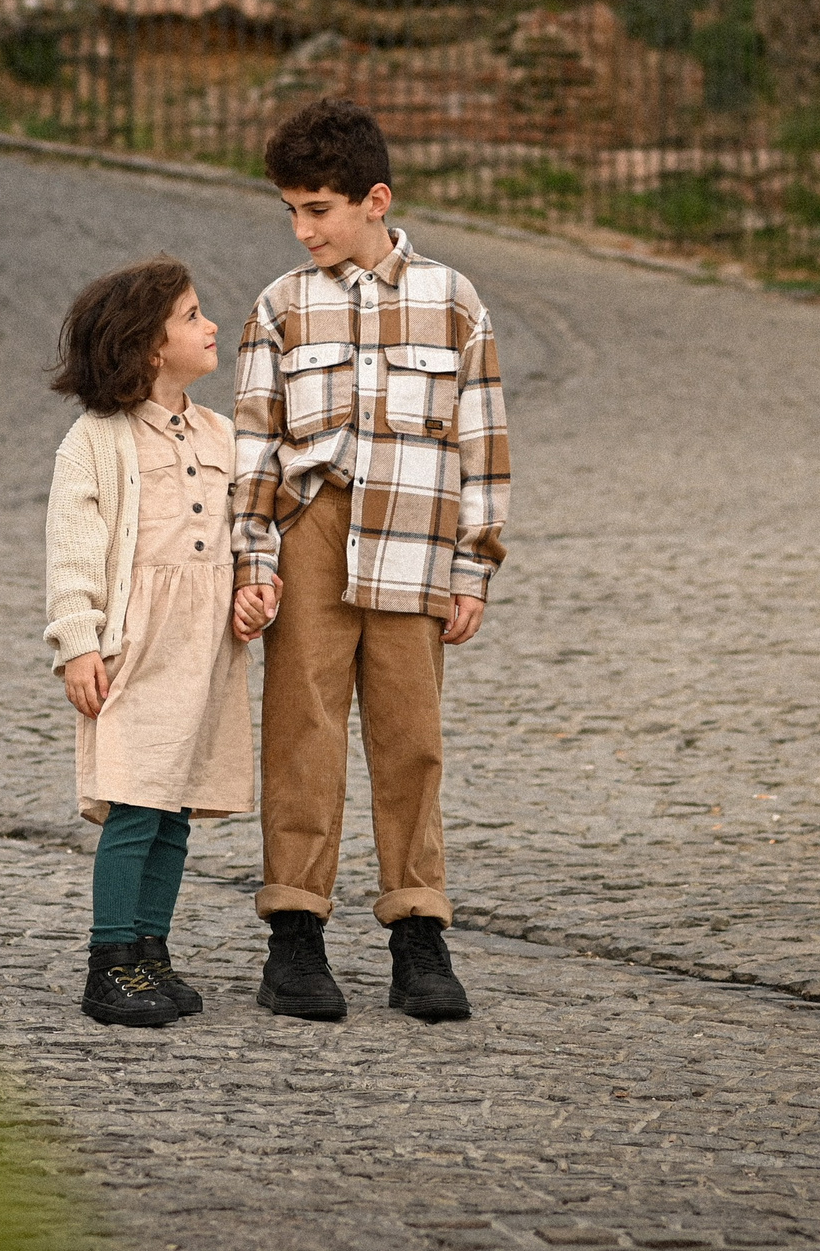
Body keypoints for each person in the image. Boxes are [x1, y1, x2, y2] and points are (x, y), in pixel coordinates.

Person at [228, 97, 510, 1023]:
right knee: (302, 730)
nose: (302, 229)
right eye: (292, 212)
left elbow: (484, 442)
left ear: (374, 200)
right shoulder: (279, 306)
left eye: (318, 209)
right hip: (312, 531)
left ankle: (418, 934)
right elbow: (254, 447)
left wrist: (474, 567)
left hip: (416, 538)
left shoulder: (454, 301)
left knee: (410, 738)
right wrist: (252, 557)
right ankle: (295, 935)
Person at [43, 255, 263, 1026]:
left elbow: (246, 535)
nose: (211, 326)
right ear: (147, 346)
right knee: (135, 799)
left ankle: (149, 949)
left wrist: (251, 589)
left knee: (175, 806)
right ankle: (109, 961)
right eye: (194, 315)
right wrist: (78, 642)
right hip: (138, 643)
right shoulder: (97, 440)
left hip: (203, 647)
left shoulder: (221, 433)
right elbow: (73, 548)